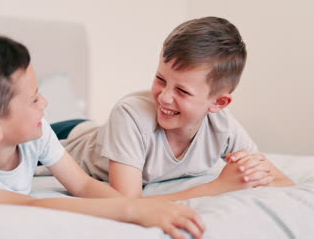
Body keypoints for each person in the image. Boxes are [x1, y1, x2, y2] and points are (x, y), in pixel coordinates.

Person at [0, 35, 205, 239]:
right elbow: (29, 206)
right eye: (34, 98)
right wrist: (129, 210)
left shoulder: (34, 130)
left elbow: (83, 184)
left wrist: (140, 207)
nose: (45, 103)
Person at [55, 16, 294, 200]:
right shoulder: (131, 115)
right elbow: (127, 203)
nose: (165, 97)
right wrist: (218, 187)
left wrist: (252, 175)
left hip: (101, 133)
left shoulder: (222, 126)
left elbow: (282, 182)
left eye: (182, 91)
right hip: (68, 137)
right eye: (160, 79)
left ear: (218, 103)